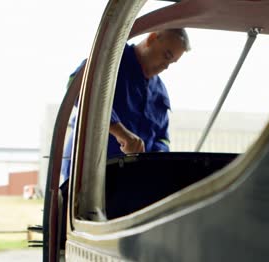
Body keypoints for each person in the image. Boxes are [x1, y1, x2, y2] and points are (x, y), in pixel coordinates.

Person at [61, 28, 191, 181]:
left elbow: (162, 137)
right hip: (88, 175)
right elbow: (77, 88)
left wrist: (160, 155)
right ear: (151, 39)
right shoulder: (110, 60)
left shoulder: (161, 92)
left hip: (132, 181)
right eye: (166, 55)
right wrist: (121, 133)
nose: (166, 66)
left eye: (172, 62)